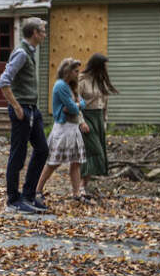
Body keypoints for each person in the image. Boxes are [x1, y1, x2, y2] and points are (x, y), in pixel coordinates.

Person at [0, 17, 49, 213]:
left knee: (42, 149)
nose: (44, 34)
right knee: (18, 154)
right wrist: (17, 107)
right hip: (23, 110)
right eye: (43, 31)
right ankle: (12, 200)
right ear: (34, 33)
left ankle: (28, 195)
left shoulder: (30, 52)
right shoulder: (21, 53)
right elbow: (3, 82)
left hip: (33, 109)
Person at [35, 57, 89, 203]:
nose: (78, 74)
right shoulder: (60, 86)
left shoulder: (72, 86)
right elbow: (73, 107)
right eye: (76, 71)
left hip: (73, 128)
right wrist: (76, 105)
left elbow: (81, 103)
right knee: (54, 162)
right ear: (68, 71)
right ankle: (37, 189)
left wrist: (76, 105)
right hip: (63, 129)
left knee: (76, 162)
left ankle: (76, 193)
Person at [78, 52, 118, 197]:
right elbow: (75, 103)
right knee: (94, 151)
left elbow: (105, 102)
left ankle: (84, 185)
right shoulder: (82, 80)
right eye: (104, 66)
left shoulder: (101, 80)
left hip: (98, 118)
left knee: (95, 152)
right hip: (86, 117)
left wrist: (105, 121)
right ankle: (80, 186)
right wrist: (81, 122)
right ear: (97, 66)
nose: (106, 69)